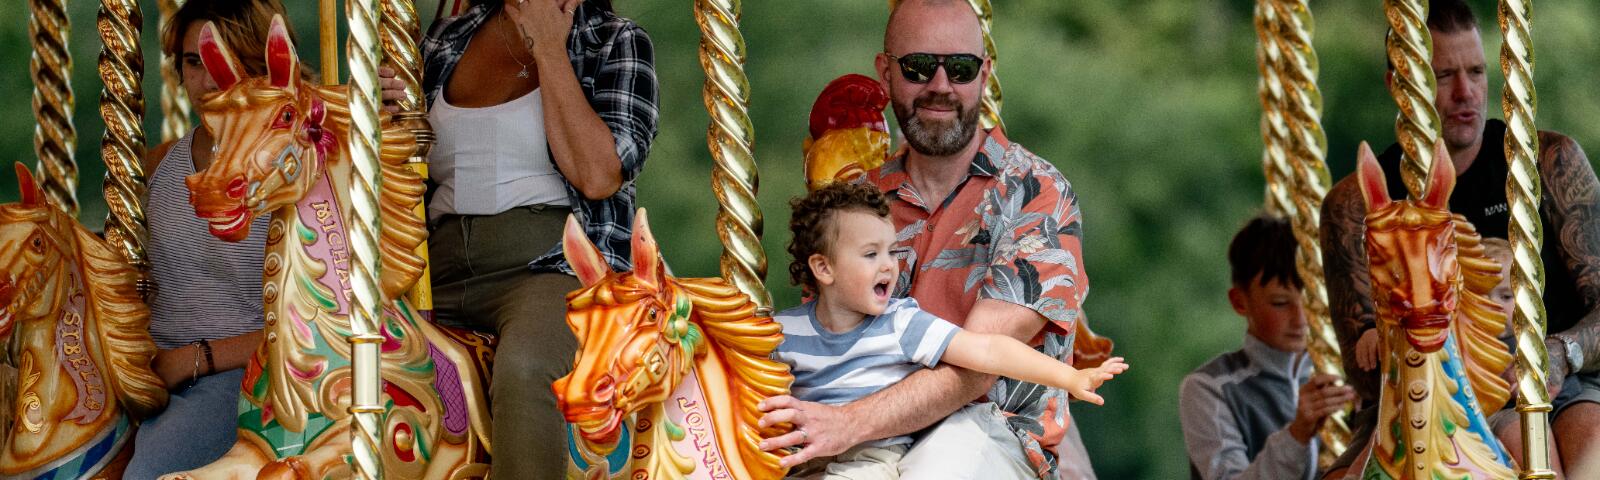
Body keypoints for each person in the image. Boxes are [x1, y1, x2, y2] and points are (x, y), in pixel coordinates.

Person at [756, 1, 1101, 478]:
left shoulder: (1034, 192)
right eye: (919, 68)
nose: (940, 86)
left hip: (985, 432)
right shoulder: (853, 204)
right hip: (854, 443)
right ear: (886, 73)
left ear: (985, 73)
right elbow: (826, 342)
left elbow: (977, 365)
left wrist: (849, 422)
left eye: (960, 68)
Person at [1320, 0, 1599, 474]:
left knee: (1589, 452)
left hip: (1558, 385)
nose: (1465, 92)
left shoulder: (1549, 163)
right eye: (1444, 75)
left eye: (1476, 71)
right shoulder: (1359, 203)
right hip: (1416, 400)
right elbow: (1362, 369)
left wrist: (1560, 351)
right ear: (1402, 86)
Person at [383, 0, 658, 476]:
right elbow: (404, 166)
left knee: (527, 368)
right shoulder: (449, 37)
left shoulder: (616, 42)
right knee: (355, 352)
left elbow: (597, 175)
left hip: (551, 261)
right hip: (433, 264)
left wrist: (549, 47)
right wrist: (384, 111)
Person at [775, 182, 1128, 480]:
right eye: (871, 254)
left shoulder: (900, 324)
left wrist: (1068, 377)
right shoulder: (783, 332)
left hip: (869, 460)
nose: (888, 265)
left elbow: (988, 351)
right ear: (823, 268)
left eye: (892, 251)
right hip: (803, 457)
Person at [127, 0, 306, 477]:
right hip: (153, 378)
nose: (207, 80)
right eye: (192, 62)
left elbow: (315, 320)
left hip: (243, 377)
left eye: (222, 60)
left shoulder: (289, 175)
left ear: (256, 61)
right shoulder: (154, 169)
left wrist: (196, 359)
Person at [1179, 215, 1355, 480]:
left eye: (1310, 302)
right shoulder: (1209, 388)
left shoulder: (1352, 375)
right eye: (1280, 303)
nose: (1301, 319)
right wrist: (1297, 435)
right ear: (1240, 302)